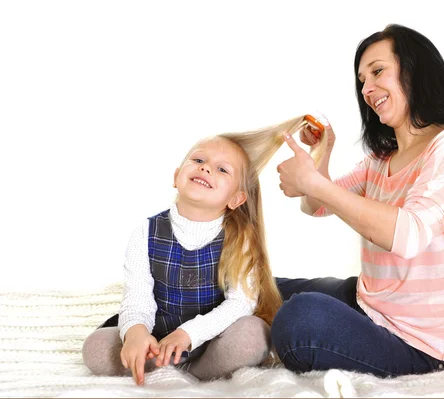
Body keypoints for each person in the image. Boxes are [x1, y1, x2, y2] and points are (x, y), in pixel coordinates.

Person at [273, 23, 444, 378]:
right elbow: (316, 204)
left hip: (432, 344)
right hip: (376, 306)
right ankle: (183, 327)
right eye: (362, 80)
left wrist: (312, 183)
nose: (366, 88)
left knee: (300, 317)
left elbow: (409, 234)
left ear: (415, 70)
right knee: (261, 287)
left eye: (378, 71)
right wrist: (323, 150)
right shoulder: (381, 160)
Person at [80, 119, 322, 384]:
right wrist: (136, 333)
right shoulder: (146, 232)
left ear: (236, 199)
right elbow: (138, 299)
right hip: (159, 336)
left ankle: (198, 373)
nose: (205, 168)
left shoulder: (238, 239)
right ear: (176, 176)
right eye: (197, 160)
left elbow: (240, 304)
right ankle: (154, 361)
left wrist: (188, 334)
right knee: (95, 348)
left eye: (221, 169)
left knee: (254, 334)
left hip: (211, 340)